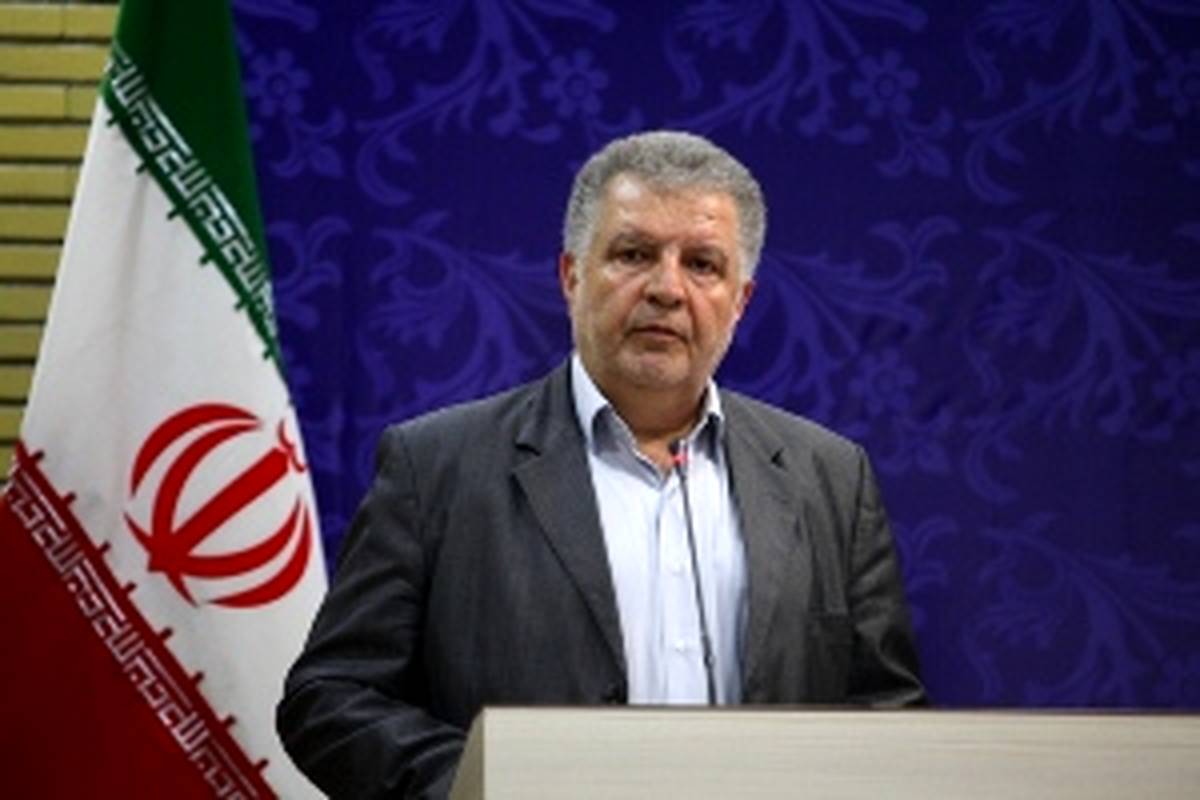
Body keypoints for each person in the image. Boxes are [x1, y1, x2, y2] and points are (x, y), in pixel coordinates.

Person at [277, 130, 925, 799]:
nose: (667, 289)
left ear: (741, 301)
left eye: (702, 264)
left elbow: (889, 715)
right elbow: (330, 697)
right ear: (571, 276)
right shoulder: (436, 466)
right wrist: (483, 784)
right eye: (633, 254)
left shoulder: (831, 478)